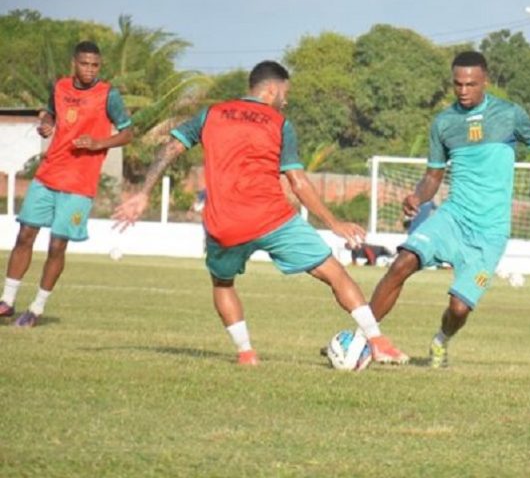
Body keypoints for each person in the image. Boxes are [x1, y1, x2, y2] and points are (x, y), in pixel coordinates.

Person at [112, 61, 408, 366]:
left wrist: (143, 192)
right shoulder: (279, 123)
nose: (286, 100)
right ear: (271, 89)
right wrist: (333, 222)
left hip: (224, 224)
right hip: (272, 219)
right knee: (335, 273)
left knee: (222, 284)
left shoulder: (210, 114)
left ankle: (246, 353)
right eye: (285, 93)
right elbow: (297, 181)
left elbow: (170, 148)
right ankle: (377, 340)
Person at [369, 51, 530, 368]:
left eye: (471, 84)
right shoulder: (444, 123)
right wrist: (418, 197)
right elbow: (433, 175)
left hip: (490, 233)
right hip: (453, 217)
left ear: (485, 81)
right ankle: (364, 339)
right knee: (402, 262)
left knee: (459, 308)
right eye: (458, 84)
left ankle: (441, 341)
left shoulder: (509, 114)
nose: (464, 91)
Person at [0, 41, 134, 327]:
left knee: (57, 245)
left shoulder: (108, 95)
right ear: (75, 63)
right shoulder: (60, 87)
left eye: (95, 65)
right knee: (25, 234)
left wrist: (99, 142)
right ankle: (7, 302)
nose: (89, 70)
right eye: (84, 64)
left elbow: (127, 133)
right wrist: (46, 122)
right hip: (48, 174)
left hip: (79, 184)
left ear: (100, 66)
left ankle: (35, 309)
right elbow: (49, 112)